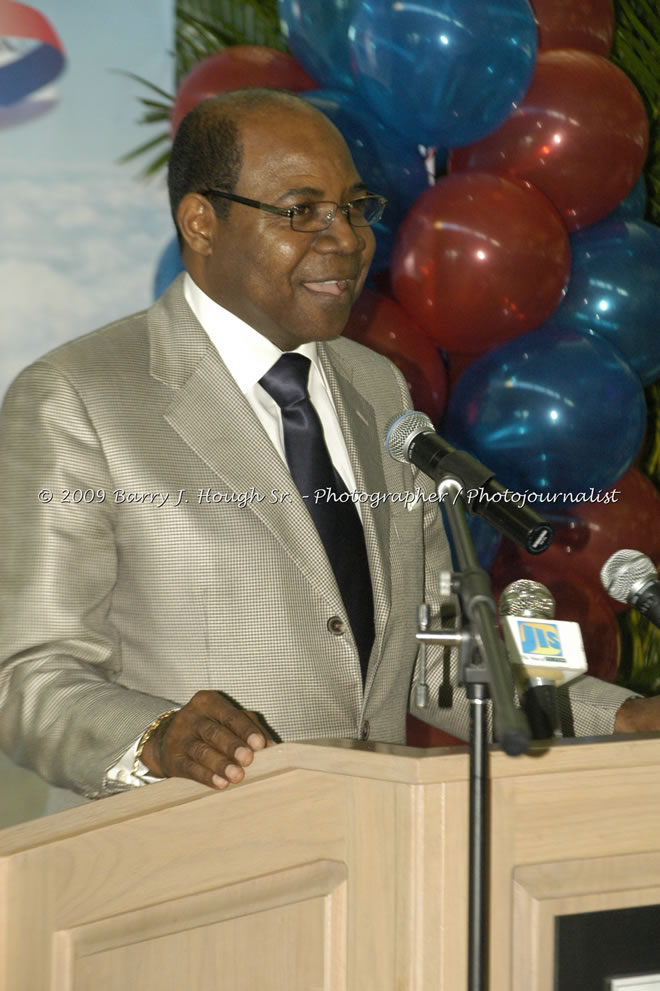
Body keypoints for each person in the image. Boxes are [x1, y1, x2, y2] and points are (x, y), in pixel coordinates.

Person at [0, 90, 656, 801]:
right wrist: (158, 736)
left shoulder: (377, 389)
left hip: (373, 855)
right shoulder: (79, 397)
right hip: (182, 865)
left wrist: (619, 716)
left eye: (352, 206)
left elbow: (433, 657)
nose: (346, 237)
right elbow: (31, 673)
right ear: (201, 221)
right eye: (299, 210)